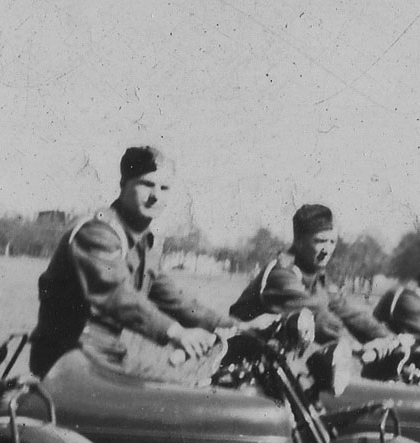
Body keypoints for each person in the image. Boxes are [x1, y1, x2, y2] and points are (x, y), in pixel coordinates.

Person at [28, 146, 230, 376]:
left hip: (109, 355)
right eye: (146, 184)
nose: (156, 196)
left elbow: (175, 300)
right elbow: (116, 294)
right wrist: (176, 333)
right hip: (68, 359)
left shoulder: (143, 243)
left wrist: (230, 325)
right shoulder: (97, 232)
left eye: (164, 188)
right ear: (123, 184)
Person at [227, 204, 386, 343]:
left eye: (332, 242)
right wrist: (355, 346)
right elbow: (315, 314)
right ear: (299, 241)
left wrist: (386, 338)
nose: (327, 250)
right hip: (241, 360)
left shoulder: (317, 275)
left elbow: (345, 310)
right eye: (320, 241)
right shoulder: (282, 272)